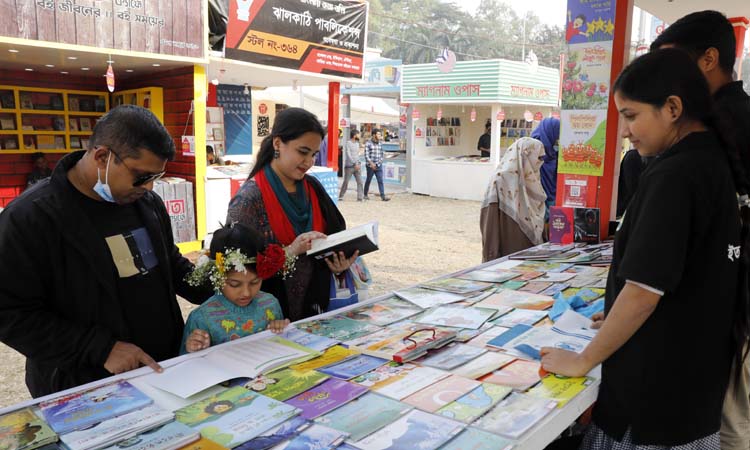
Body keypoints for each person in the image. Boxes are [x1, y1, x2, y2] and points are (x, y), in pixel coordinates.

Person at [540, 49, 747, 449]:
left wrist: (583, 360)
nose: (625, 132)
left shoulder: (674, 175)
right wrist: (617, 308)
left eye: (632, 116)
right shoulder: (710, 160)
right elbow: (680, 277)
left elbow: (642, 294)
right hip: (691, 390)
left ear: (672, 108)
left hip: (653, 402)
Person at [0, 105, 213, 397]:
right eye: (141, 176)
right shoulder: (32, 218)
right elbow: (10, 313)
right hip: (83, 385)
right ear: (102, 157)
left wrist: (223, 282)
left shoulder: (147, 204)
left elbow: (170, 266)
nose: (149, 186)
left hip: (163, 369)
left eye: (156, 176)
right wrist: (100, 349)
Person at [652, 12, 750, 449]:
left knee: (731, 426)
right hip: (726, 308)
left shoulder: (713, 128)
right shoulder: (732, 116)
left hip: (731, 315)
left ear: (709, 59)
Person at [226, 107, 357, 321]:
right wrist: (290, 251)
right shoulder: (249, 199)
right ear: (278, 144)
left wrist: (339, 262)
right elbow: (236, 267)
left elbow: (334, 234)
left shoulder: (313, 188)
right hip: (269, 317)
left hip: (316, 308)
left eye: (314, 154)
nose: (309, 162)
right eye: (302, 152)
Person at [181, 223, 289, 354]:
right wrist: (194, 348)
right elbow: (186, 364)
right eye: (234, 284)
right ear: (217, 276)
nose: (246, 292)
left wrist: (280, 329)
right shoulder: (201, 318)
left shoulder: (270, 304)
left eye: (255, 282)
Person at [480, 137, 546, 262]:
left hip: (533, 249)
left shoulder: (532, 179)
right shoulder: (500, 180)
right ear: (524, 155)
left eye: (541, 158)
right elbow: (490, 222)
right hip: (509, 247)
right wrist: (490, 257)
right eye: (537, 157)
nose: (539, 162)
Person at [531, 118, 560, 211]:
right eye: (557, 133)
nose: (558, 139)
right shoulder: (532, 149)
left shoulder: (553, 152)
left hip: (551, 199)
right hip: (534, 201)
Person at [616, 148, 654, 217]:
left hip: (635, 208)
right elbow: (633, 188)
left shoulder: (656, 158)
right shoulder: (633, 156)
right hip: (629, 209)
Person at [364, 129, 390, 201]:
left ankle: (383, 196)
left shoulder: (380, 143)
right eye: (378, 134)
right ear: (374, 135)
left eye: (380, 134)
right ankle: (365, 194)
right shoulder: (368, 143)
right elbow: (366, 155)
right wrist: (371, 163)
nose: (380, 136)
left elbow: (382, 154)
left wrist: (379, 162)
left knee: (380, 180)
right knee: (368, 180)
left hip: (378, 165)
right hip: (370, 166)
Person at [339, 129, 364, 202]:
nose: (359, 135)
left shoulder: (357, 143)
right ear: (354, 135)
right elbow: (348, 154)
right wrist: (354, 163)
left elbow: (357, 154)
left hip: (357, 166)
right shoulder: (348, 143)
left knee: (360, 182)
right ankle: (341, 195)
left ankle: (360, 197)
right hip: (349, 166)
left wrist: (358, 163)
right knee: (346, 182)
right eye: (358, 134)